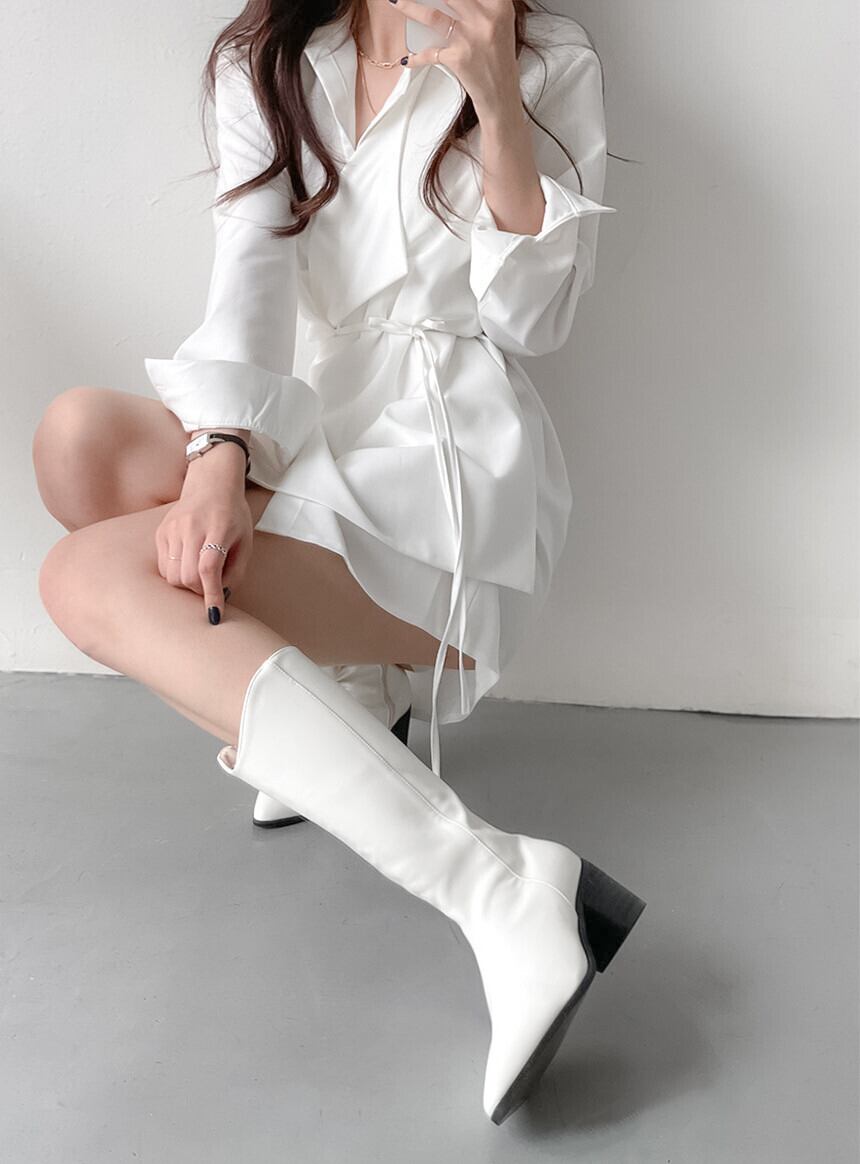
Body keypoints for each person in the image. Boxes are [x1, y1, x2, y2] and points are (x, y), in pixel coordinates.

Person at [33, 0, 645, 1125]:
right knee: (79, 442)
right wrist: (220, 453)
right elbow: (251, 275)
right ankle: (352, 693)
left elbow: (535, 320)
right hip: (315, 420)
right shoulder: (274, 56)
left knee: (83, 579)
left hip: (447, 460)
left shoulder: (548, 55)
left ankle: (498, 886)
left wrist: (495, 93)